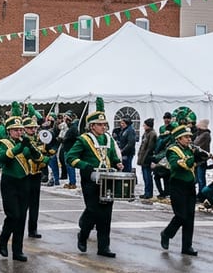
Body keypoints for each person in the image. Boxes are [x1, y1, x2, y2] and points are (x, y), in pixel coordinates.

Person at [65, 101, 123, 257]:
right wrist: (86, 166)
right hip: (90, 181)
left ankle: (104, 247)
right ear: (92, 126)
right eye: (100, 124)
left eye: (105, 124)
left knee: (106, 214)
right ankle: (83, 236)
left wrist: (117, 163)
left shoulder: (108, 139)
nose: (104, 127)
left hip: (108, 180)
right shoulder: (83, 139)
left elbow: (110, 156)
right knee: (93, 210)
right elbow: (70, 157)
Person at [0, 116, 32, 262]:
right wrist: (20, 146)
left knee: (22, 217)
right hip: (9, 181)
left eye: (20, 130)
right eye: (16, 130)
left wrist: (38, 150)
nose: (19, 132)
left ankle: (17, 250)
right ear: (9, 131)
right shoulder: (2, 143)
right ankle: (3, 238)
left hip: (24, 181)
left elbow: (34, 156)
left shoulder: (24, 142)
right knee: (13, 215)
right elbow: (3, 158)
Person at [159, 125, 199, 256]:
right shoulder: (172, 150)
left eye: (190, 137)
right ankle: (166, 233)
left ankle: (187, 246)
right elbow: (176, 165)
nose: (189, 139)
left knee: (190, 217)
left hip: (190, 185)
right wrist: (194, 159)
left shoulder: (190, 149)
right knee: (181, 215)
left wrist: (202, 157)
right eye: (186, 137)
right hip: (177, 185)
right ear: (179, 138)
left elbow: (194, 163)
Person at [23, 116, 53, 238]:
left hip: (36, 173)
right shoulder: (22, 140)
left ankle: (33, 229)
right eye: (30, 128)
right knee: (23, 204)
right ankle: (19, 228)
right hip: (25, 174)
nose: (33, 130)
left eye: (34, 127)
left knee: (35, 203)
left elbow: (48, 149)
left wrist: (48, 150)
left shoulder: (40, 139)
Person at [136, 118, 157, 199]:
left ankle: (149, 193)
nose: (143, 126)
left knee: (148, 176)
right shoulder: (146, 133)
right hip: (143, 157)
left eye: (145, 125)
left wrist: (145, 157)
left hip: (147, 158)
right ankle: (146, 192)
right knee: (145, 176)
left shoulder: (152, 134)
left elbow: (150, 147)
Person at [192, 120, 211, 192]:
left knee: (201, 178)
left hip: (202, 159)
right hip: (197, 158)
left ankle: (202, 194)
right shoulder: (199, 134)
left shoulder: (205, 134)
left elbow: (197, 144)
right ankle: (200, 193)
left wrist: (193, 145)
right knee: (198, 178)